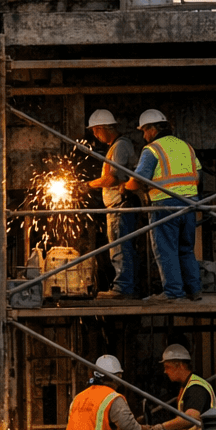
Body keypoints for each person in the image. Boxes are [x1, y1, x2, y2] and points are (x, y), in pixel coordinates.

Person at [125, 109, 203, 301]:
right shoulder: (186, 146)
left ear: (152, 129)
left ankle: (173, 293)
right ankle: (194, 291)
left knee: (165, 250)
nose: (144, 136)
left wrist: (126, 186)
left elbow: (139, 179)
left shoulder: (152, 149)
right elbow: (198, 176)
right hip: (190, 204)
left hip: (165, 206)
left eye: (144, 131)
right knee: (185, 249)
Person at [84, 109, 142, 300]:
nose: (95, 135)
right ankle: (126, 286)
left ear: (103, 128)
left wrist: (87, 185)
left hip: (120, 205)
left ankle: (123, 288)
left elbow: (111, 179)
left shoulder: (119, 146)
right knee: (121, 246)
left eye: (95, 131)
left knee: (120, 247)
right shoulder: (117, 146)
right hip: (118, 205)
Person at [155, 344, 216, 430]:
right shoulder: (187, 386)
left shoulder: (196, 388)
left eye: (167, 367)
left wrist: (162, 427)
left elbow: (190, 418)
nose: (165, 372)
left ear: (179, 365)